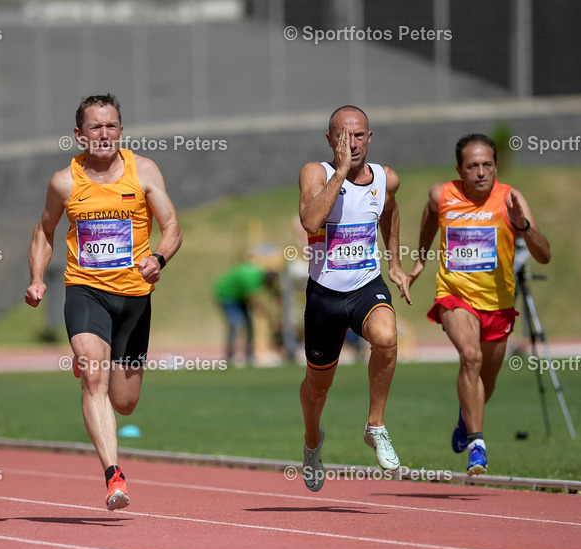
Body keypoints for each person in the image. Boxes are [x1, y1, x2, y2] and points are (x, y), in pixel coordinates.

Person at [24, 93, 183, 510]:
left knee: (124, 403)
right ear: (79, 134)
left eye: (111, 125)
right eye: (95, 126)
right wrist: (37, 279)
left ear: (121, 131)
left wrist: (159, 258)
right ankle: (114, 476)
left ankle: (95, 359)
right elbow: (44, 230)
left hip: (134, 297)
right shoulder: (64, 181)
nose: (104, 133)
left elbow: (171, 225)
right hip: (86, 289)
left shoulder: (143, 171)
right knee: (93, 376)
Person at [408, 133, 550, 475]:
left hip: (498, 304)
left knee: (486, 382)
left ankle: (466, 415)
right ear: (460, 169)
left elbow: (544, 255)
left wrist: (523, 226)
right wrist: (421, 257)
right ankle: (477, 446)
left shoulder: (511, 199)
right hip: (455, 295)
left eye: (487, 165)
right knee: (470, 357)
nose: (481, 172)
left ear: (496, 166)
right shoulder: (442, 194)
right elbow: (430, 213)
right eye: (473, 166)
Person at [296, 105, 411, 492]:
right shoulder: (316, 172)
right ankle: (312, 441)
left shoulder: (386, 178)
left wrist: (395, 263)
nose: (353, 143)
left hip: (365, 285)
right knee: (318, 386)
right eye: (344, 136)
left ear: (370, 137)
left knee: (387, 337)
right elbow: (311, 221)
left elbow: (390, 213)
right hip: (324, 295)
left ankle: (375, 426)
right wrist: (342, 172)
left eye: (359, 135)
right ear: (330, 139)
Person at [213, 260, 281, 365]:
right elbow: (253, 303)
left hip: (239, 296)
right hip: (226, 296)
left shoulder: (261, 276)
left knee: (250, 324)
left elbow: (271, 290)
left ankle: (248, 355)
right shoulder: (251, 281)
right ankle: (229, 356)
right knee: (236, 323)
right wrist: (268, 317)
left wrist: (278, 299)